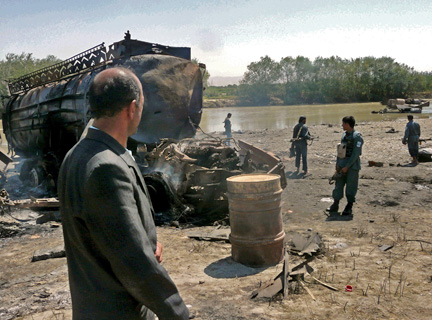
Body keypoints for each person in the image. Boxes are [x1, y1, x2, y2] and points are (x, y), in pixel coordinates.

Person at [58, 67, 189, 320]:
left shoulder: (75, 155)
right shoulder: (106, 168)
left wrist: (148, 241)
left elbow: (106, 233)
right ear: (132, 109)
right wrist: (179, 314)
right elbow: (135, 265)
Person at [327, 116, 363, 216]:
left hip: (352, 166)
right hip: (342, 165)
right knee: (338, 185)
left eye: (343, 123)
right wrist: (338, 164)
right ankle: (335, 204)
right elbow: (340, 150)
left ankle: (349, 206)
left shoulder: (357, 137)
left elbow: (356, 154)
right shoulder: (344, 135)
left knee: (351, 187)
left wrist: (347, 166)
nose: (342, 125)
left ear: (347, 124)